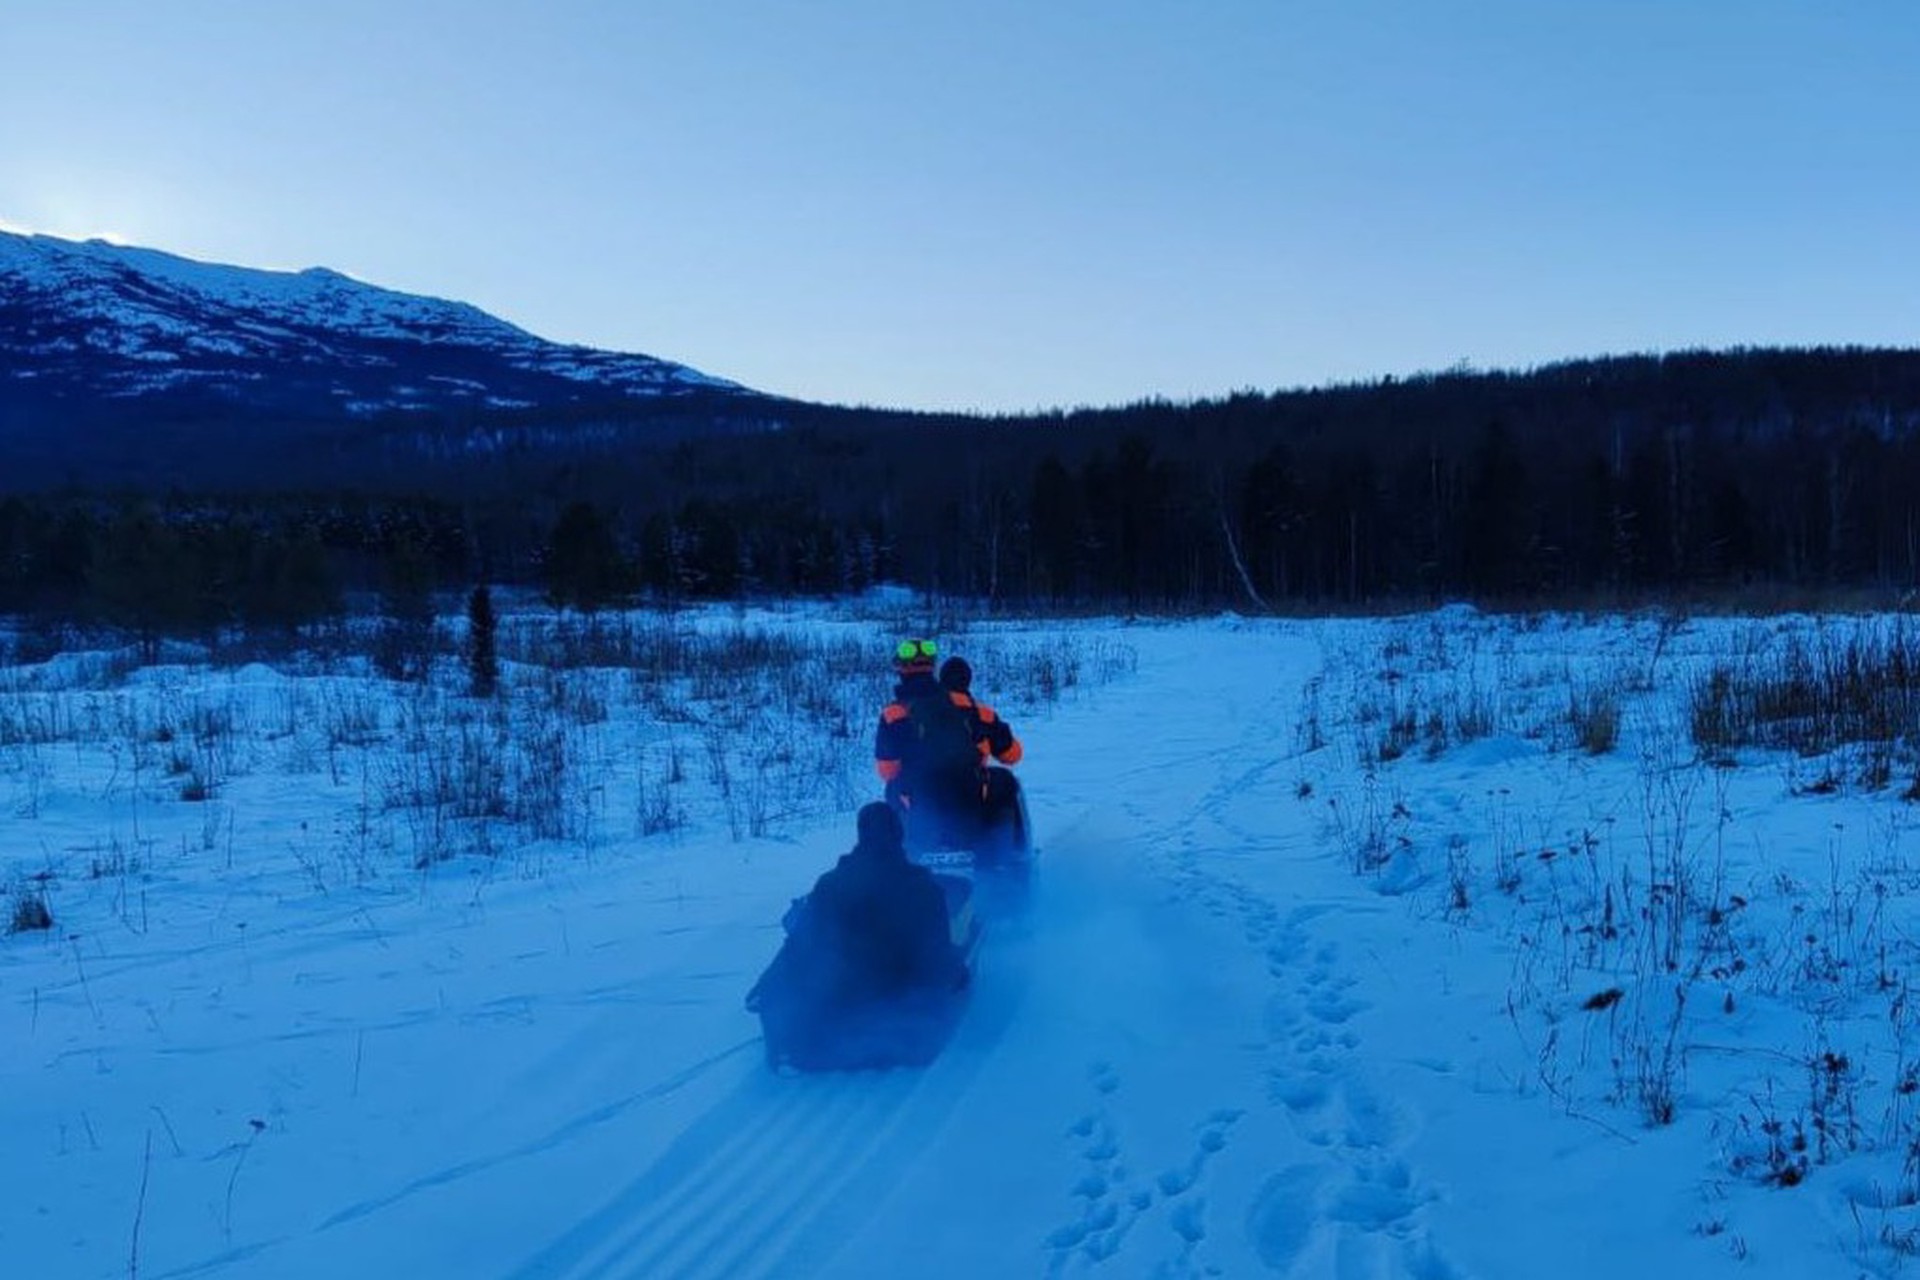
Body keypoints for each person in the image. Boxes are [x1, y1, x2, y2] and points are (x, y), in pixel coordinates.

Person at [749, 802, 968, 1069]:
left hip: (840, 1004)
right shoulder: (923, 888)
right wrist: (958, 973)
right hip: (902, 1011)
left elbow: (800, 946)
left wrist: (771, 986)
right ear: (900, 835)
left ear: (860, 835)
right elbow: (937, 951)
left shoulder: (830, 885)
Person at [873, 638, 1025, 855]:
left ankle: (899, 856)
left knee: (892, 789)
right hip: (971, 799)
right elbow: (1013, 755)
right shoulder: (977, 711)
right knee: (1005, 781)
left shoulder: (892, 715)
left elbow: (887, 771)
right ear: (933, 667)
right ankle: (1013, 856)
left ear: (899, 668)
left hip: (920, 805)